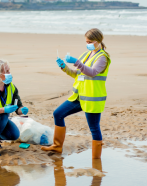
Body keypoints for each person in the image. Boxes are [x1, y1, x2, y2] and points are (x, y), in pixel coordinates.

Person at [41, 28, 111, 159]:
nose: (88, 43)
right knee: (58, 113)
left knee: (94, 128)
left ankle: (96, 160)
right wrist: (64, 67)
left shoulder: (102, 57)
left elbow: (92, 72)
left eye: (90, 41)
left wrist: (76, 62)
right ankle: (57, 146)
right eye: (86, 41)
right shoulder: (86, 54)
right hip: (79, 96)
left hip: (92, 98)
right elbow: (76, 74)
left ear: (98, 41)